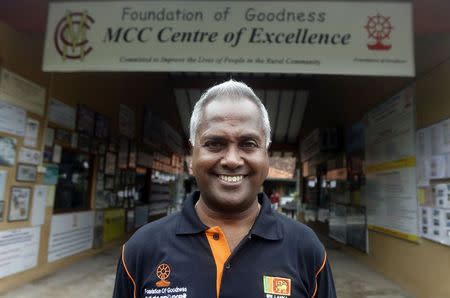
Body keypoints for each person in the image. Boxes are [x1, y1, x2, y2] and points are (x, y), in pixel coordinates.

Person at [113, 80, 336, 298]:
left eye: (248, 143)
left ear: (266, 156)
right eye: (214, 143)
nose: (231, 160)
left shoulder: (306, 249)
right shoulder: (141, 250)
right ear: (192, 156)